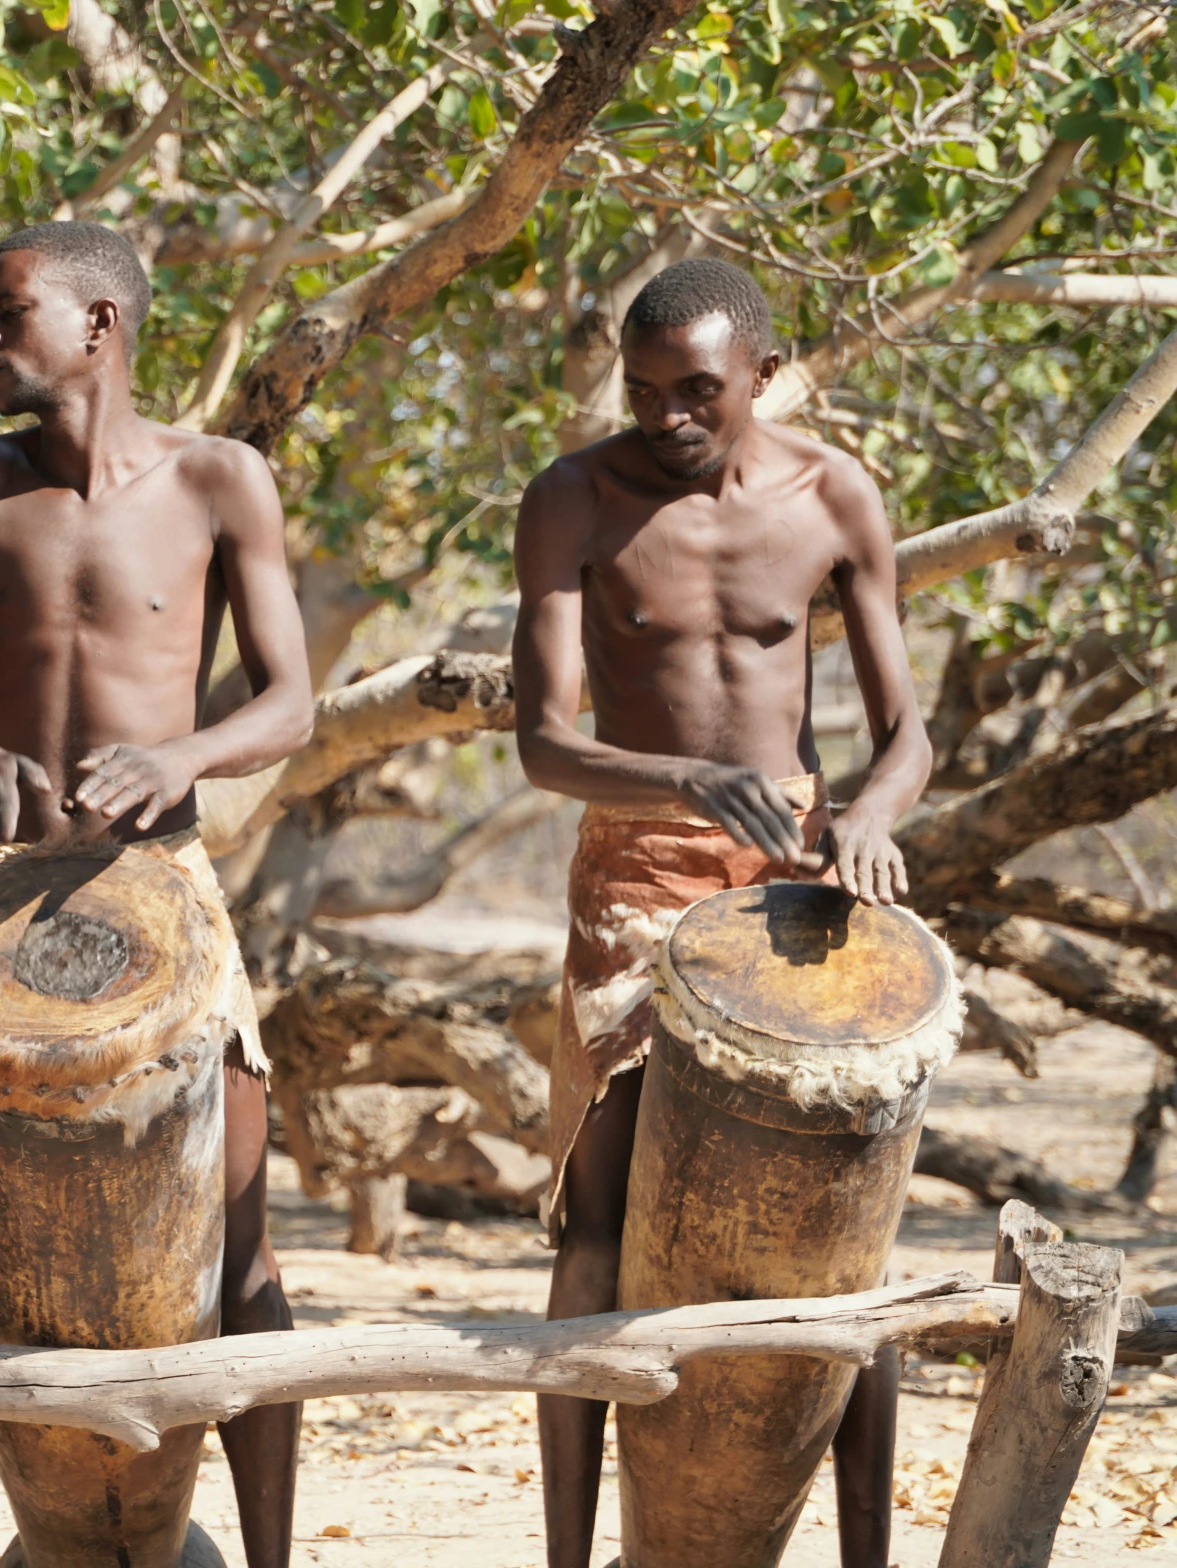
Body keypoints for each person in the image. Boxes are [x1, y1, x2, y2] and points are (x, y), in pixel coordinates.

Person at [0, 221, 317, 1568]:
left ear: (101, 327)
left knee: (239, 1267)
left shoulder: (217, 480)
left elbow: (289, 699)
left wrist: (179, 753)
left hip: (163, 898)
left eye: (7, 313)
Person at [512, 256, 933, 1568]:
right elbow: (540, 743)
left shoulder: (831, 495)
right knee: (596, 1219)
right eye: (642, 392)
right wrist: (686, 777)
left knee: (848, 1227)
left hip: (792, 877)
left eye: (697, 390)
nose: (666, 416)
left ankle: (864, 1553)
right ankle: (571, 1556)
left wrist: (865, 817)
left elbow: (906, 732)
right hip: (637, 866)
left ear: (763, 367)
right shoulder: (573, 498)